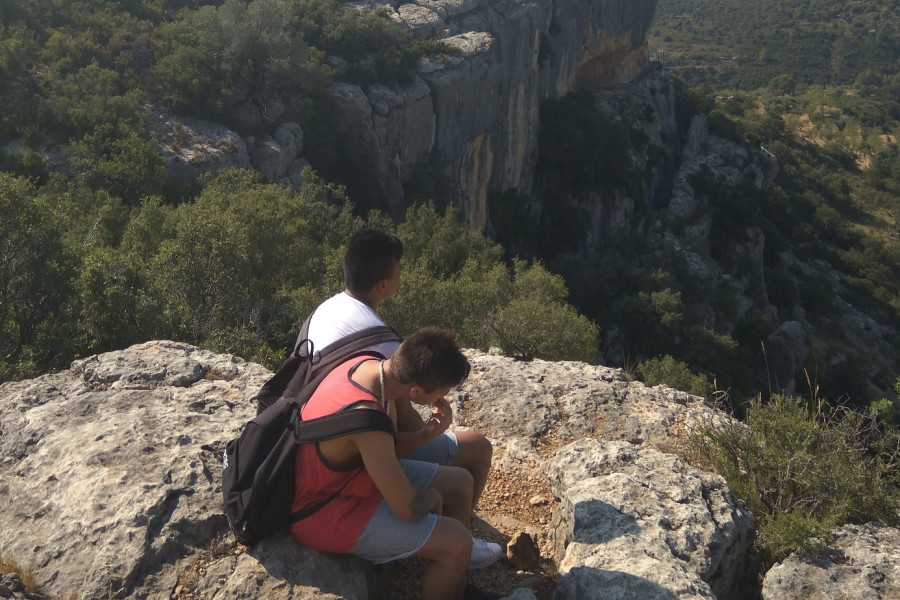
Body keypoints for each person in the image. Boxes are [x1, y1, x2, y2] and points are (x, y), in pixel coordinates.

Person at [290, 328, 499, 600]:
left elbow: (383, 449)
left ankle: (451, 572)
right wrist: (433, 499)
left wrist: (427, 435)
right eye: (441, 392)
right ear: (415, 391)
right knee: (457, 541)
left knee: (461, 483)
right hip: (324, 510)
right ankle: (452, 558)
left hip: (354, 477)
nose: (442, 398)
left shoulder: (366, 366)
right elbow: (407, 508)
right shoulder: (365, 419)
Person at [297, 229, 494, 506]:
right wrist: (432, 428)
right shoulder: (383, 346)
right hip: (360, 463)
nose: (402, 272)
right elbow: (403, 422)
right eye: (399, 268)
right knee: (476, 450)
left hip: (317, 445)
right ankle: (461, 526)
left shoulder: (323, 311)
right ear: (383, 285)